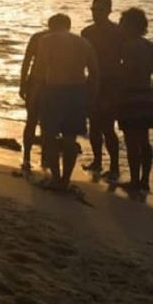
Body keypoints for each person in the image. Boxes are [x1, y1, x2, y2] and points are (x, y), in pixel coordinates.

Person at [30, 13, 99, 191]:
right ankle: (65, 179)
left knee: (49, 136)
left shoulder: (46, 41)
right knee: (70, 138)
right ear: (68, 26)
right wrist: (91, 95)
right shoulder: (84, 43)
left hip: (53, 90)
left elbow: (39, 72)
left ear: (51, 25)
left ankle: (56, 176)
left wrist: (34, 96)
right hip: (77, 92)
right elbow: (94, 72)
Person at [117, 7, 153, 194]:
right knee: (144, 140)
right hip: (145, 96)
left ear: (130, 25)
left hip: (129, 96)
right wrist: (152, 94)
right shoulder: (150, 46)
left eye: (123, 24)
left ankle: (135, 180)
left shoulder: (127, 47)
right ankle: (145, 180)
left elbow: (125, 73)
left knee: (131, 141)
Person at [81, 0, 123, 179]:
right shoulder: (86, 32)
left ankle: (114, 166)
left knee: (108, 126)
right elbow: (82, 59)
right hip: (92, 82)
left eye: (100, 10)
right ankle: (97, 161)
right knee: (94, 125)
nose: (96, 13)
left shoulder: (117, 32)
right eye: (94, 9)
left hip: (111, 83)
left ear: (108, 11)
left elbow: (124, 57)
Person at [19, 21, 54, 172]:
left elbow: (27, 61)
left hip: (37, 83)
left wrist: (22, 83)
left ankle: (27, 157)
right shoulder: (67, 40)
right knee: (47, 123)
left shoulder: (38, 37)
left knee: (32, 121)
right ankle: (43, 158)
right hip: (50, 85)